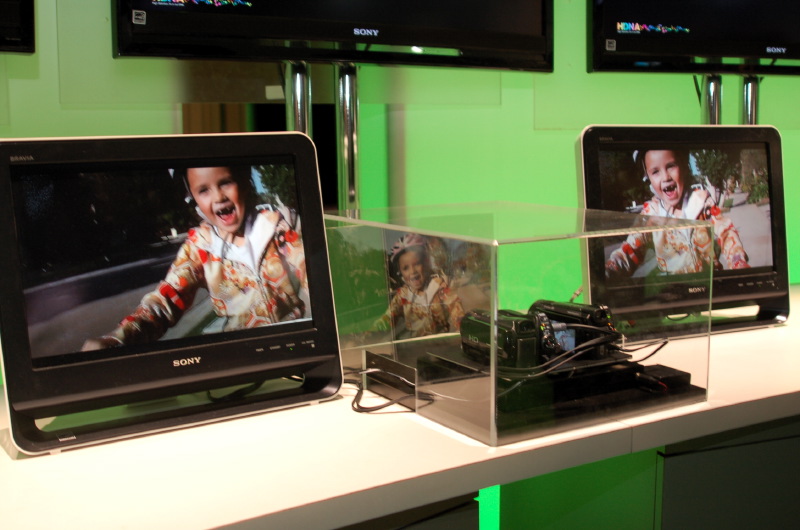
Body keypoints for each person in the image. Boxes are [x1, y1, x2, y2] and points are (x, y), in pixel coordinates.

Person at [82, 166, 307, 350]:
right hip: (240, 353)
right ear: (193, 199)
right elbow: (166, 299)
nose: (218, 197)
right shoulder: (200, 247)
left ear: (244, 183)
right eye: (203, 190)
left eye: (226, 182)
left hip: (290, 343)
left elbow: (306, 265)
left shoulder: (273, 226)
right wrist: (119, 338)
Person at [606, 149, 750, 278]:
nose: (665, 177)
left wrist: (737, 260)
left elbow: (726, 232)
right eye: (655, 172)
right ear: (647, 178)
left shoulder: (701, 203)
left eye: (671, 166)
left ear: (684, 167)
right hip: (676, 292)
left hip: (711, 286)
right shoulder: (651, 216)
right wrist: (611, 269)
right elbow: (631, 249)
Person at [375, 233, 465, 339]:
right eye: (406, 268)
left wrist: (461, 329)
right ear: (400, 272)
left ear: (426, 263)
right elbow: (387, 319)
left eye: (417, 264)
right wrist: (369, 334)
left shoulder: (439, 289)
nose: (413, 272)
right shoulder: (403, 296)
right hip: (414, 346)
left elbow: (456, 311)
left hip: (441, 344)